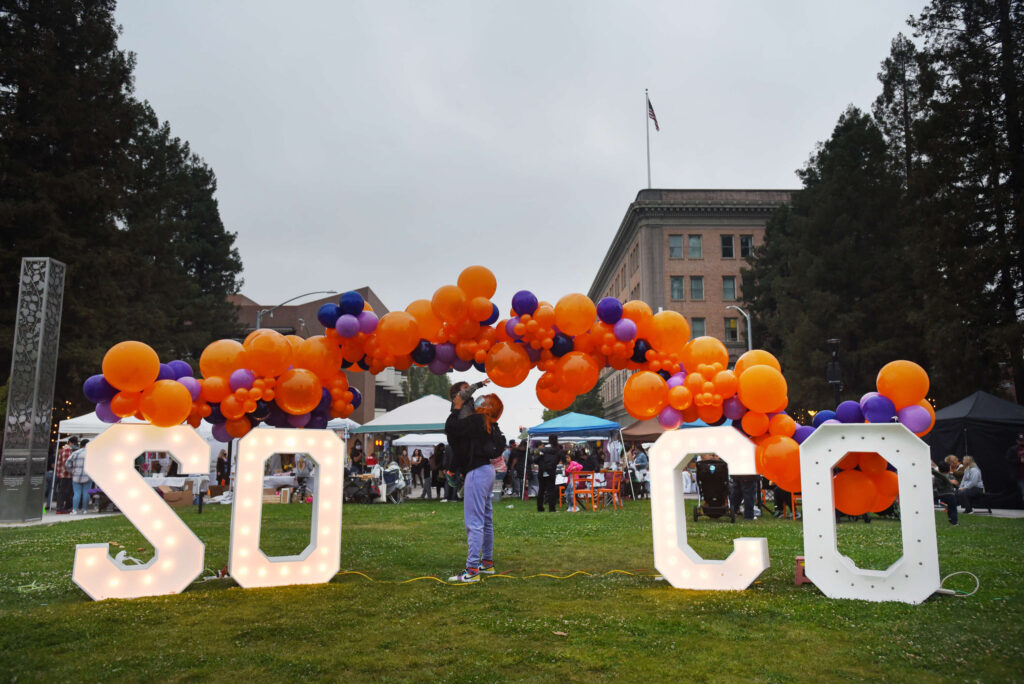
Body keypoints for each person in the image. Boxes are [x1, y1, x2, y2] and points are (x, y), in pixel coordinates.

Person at [445, 392, 504, 583]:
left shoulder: (478, 420)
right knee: (485, 520)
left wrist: (456, 407)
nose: (479, 400)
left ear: (488, 406)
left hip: (478, 473)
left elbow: (452, 428)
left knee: (474, 523)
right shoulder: (490, 424)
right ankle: (486, 563)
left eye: (484, 399)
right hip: (487, 471)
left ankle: (472, 571)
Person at [535, 435, 562, 513]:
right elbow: (557, 461)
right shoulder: (558, 450)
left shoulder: (543, 449)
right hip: (551, 471)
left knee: (541, 490)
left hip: (542, 471)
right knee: (551, 490)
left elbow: (536, 460)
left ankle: (540, 507)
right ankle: (552, 508)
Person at [66, 438, 91, 515]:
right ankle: (84, 509)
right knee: (86, 493)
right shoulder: (91, 453)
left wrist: (72, 471)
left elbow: (67, 464)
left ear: (81, 445)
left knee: (76, 493)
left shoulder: (75, 453)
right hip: (87, 476)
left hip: (76, 476)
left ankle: (74, 509)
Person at [54, 436, 76, 513]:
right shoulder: (67, 450)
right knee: (63, 491)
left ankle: (62, 507)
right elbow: (66, 463)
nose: (74, 445)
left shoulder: (65, 450)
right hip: (65, 474)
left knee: (64, 491)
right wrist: (72, 471)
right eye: (74, 443)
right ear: (71, 443)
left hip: (63, 474)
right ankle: (60, 508)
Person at [1007, 433, 1024, 500]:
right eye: (1020, 440)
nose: (1022, 442)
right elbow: (1009, 460)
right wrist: (1020, 460)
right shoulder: (1013, 449)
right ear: (1017, 441)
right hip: (1020, 475)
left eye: (1023, 440)